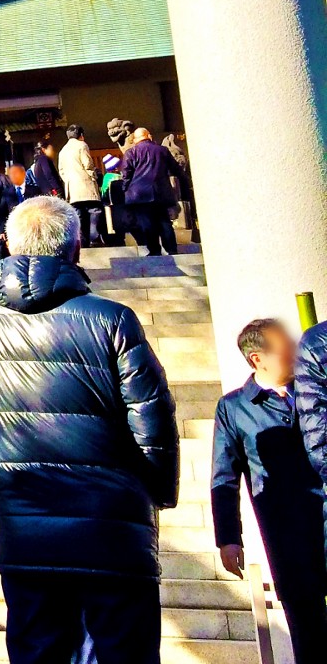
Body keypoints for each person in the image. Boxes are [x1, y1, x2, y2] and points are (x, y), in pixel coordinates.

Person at [0, 197, 178, 664]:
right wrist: (156, 493)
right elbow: (152, 422)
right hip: (111, 524)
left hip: (26, 524)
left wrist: (5, 474)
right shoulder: (111, 319)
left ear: (8, 244)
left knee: (38, 652)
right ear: (76, 248)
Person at [212, 319, 327, 660]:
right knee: (309, 633)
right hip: (287, 533)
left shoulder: (315, 386)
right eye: (286, 347)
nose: (296, 352)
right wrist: (229, 538)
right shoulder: (234, 408)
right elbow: (224, 476)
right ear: (258, 359)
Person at [119, 126, 187, 257]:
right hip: (161, 192)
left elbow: (126, 174)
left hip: (139, 194)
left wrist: (125, 189)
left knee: (147, 224)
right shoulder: (162, 151)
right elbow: (175, 169)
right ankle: (171, 249)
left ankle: (154, 250)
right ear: (148, 136)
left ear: (135, 139)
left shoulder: (131, 153)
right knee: (164, 221)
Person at [58, 125, 105, 248]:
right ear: (81, 135)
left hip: (72, 189)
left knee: (78, 216)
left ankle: (82, 242)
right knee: (94, 211)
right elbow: (88, 164)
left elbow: (61, 170)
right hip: (85, 185)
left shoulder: (63, 150)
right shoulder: (82, 145)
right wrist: (93, 176)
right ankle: (94, 238)